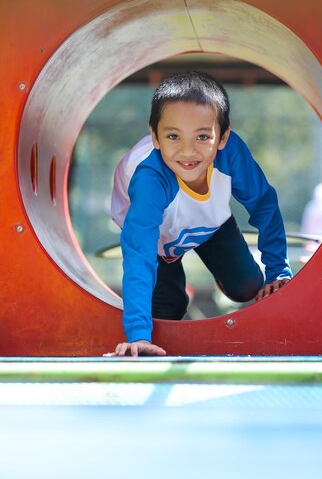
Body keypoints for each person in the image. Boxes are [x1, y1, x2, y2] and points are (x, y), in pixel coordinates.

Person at [106, 71, 292, 357]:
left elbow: (263, 203)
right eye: (173, 136)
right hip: (157, 240)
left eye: (203, 136)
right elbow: (139, 252)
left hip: (210, 223)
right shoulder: (150, 180)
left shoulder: (231, 154)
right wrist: (138, 334)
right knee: (167, 314)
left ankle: (224, 272)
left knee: (247, 286)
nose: (187, 151)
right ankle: (167, 301)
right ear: (154, 136)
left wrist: (277, 268)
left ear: (222, 137)